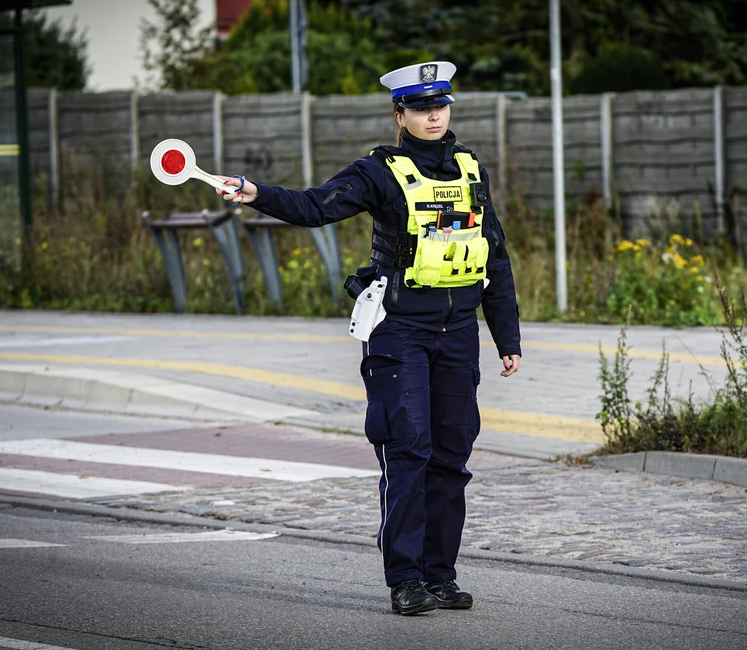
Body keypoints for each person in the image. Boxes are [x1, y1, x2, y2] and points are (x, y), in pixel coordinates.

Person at [215, 61, 522, 616]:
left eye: (441, 105)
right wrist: (255, 191)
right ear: (400, 114)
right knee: (408, 452)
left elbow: (494, 256)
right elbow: (314, 206)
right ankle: (405, 580)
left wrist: (508, 337)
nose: (434, 115)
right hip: (399, 331)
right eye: (422, 108)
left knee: (451, 458)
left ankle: (441, 576)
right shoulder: (379, 171)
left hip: (458, 333)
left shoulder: (470, 169)